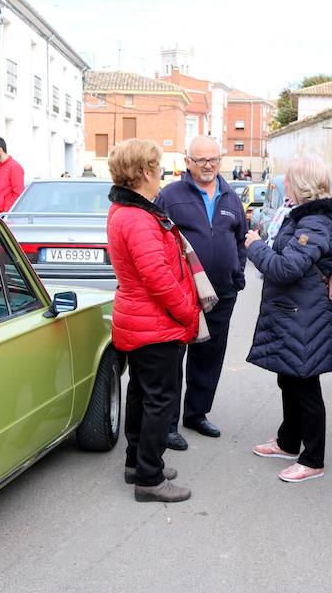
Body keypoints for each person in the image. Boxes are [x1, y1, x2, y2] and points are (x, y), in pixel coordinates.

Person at [106, 138, 200, 503]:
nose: (161, 175)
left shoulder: (124, 211)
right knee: (160, 399)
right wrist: (187, 312)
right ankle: (150, 476)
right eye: (158, 168)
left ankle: (138, 463)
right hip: (153, 322)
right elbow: (157, 276)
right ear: (144, 172)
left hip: (139, 319)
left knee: (143, 393)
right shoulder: (138, 217)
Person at [246, 158, 332, 482]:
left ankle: (313, 458)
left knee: (305, 385)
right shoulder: (304, 217)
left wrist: (255, 246)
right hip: (292, 312)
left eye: (289, 181)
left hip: (304, 315)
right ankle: (289, 441)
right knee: (289, 377)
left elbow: (285, 268)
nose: (285, 186)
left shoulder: (315, 223)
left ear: (301, 185)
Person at [156, 135, 247, 450]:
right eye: (201, 160)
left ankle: (196, 413)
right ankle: (167, 424)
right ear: (187, 161)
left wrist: (238, 275)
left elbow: (239, 238)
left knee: (209, 356)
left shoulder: (230, 196)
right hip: (181, 294)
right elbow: (157, 241)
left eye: (213, 160)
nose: (208, 166)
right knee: (173, 358)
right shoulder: (169, 196)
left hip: (222, 292)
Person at [0, 137, 25, 213]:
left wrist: (6, 211)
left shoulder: (15, 167)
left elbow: (19, 193)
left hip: (6, 215)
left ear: (0, 150)